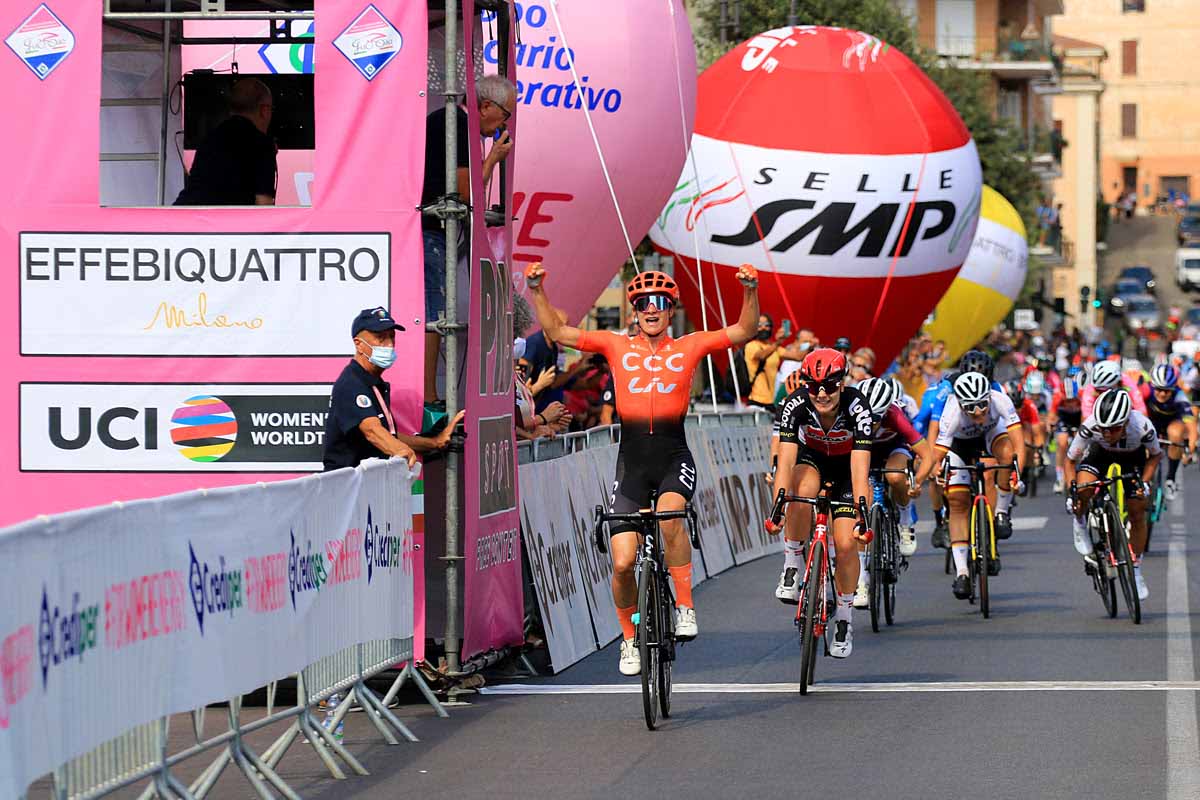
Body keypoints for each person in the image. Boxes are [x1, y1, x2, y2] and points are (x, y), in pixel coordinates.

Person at [526, 261, 760, 676]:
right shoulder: (616, 345)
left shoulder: (688, 346)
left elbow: (742, 331)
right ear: (635, 311)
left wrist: (749, 290)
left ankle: (685, 606)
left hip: (673, 458)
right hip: (631, 464)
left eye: (660, 303)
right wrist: (538, 290)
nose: (651, 309)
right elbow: (560, 333)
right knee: (621, 563)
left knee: (671, 517)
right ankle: (629, 640)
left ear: (670, 310)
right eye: (643, 303)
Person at [767, 348, 873, 658]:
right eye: (814, 386)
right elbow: (785, 462)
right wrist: (778, 507)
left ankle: (844, 617)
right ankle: (791, 564)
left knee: (844, 543)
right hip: (811, 460)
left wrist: (862, 510)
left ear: (842, 382)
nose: (822, 393)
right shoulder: (795, 404)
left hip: (846, 470)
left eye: (829, 385)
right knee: (799, 490)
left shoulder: (858, 407)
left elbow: (860, 468)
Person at [422, 74, 516, 408]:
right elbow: (465, 192)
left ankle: (431, 393)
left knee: (435, 313)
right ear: (486, 106)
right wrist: (492, 159)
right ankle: (430, 396)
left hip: (434, 229)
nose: (506, 123)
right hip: (431, 229)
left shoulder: (453, 121)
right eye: (506, 114)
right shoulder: (458, 124)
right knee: (434, 314)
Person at [322, 307, 464, 471]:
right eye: (380, 338)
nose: (389, 345)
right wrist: (401, 451)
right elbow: (372, 431)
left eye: (391, 337)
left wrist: (435, 442)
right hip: (347, 488)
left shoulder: (373, 382)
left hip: (369, 485)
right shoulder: (352, 384)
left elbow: (389, 436)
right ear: (359, 344)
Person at [932, 372, 1024, 599]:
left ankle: (1001, 513)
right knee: (958, 502)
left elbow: (1018, 445)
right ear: (961, 404)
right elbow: (939, 453)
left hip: (990, 434)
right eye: (970, 407)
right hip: (958, 446)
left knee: (1005, 457)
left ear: (989, 398)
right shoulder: (951, 413)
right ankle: (962, 572)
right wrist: (935, 470)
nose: (978, 412)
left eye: (983, 405)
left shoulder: (1000, 399)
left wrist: (1016, 475)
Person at [1065, 390, 1160, 600]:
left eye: (1114, 429)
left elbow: (1155, 456)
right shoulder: (1090, 426)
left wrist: (1144, 482)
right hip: (1100, 455)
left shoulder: (1142, 426)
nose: (1107, 434)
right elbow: (1070, 460)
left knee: (1137, 510)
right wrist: (1073, 492)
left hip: (1132, 458)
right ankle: (1080, 521)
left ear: (1126, 422)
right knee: (1084, 489)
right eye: (1103, 429)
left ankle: (1135, 570)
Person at [853, 377, 933, 606]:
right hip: (864, 450)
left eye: (877, 419)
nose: (872, 423)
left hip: (893, 449)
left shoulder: (896, 415)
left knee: (895, 476)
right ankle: (860, 581)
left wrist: (916, 482)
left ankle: (905, 522)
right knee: (862, 507)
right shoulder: (848, 415)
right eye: (867, 418)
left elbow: (927, 456)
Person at [174, 78, 277, 206]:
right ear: (264, 110)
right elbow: (263, 205)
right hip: (221, 221)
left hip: (184, 215)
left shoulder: (209, 138)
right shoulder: (263, 144)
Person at [1144, 364, 1197, 499]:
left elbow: (1191, 424)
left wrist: (1191, 448)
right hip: (1151, 424)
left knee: (1175, 432)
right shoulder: (1145, 391)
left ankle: (1170, 479)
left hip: (1171, 424)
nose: (1162, 393)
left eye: (1167, 391)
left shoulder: (1179, 396)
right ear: (1152, 385)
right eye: (1159, 389)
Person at [743, 315, 808, 410]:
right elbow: (761, 356)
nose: (763, 328)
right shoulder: (751, 346)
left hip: (770, 402)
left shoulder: (774, 348)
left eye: (766, 325)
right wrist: (778, 342)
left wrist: (806, 343)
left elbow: (798, 357)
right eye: (759, 325)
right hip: (755, 401)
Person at [1048, 374, 1084, 494]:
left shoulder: (1082, 397)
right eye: (1067, 401)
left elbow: (1086, 417)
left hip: (1078, 419)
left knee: (1081, 443)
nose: (1070, 403)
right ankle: (1059, 478)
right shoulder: (1057, 397)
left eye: (1072, 400)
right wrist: (1051, 426)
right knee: (1062, 443)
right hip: (1064, 419)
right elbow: (1051, 416)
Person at [1081, 360, 1146, 418]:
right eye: (1098, 390)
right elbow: (1086, 416)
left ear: (1118, 383)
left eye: (1104, 390)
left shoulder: (1128, 382)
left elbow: (1141, 408)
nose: (1100, 393)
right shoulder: (1091, 388)